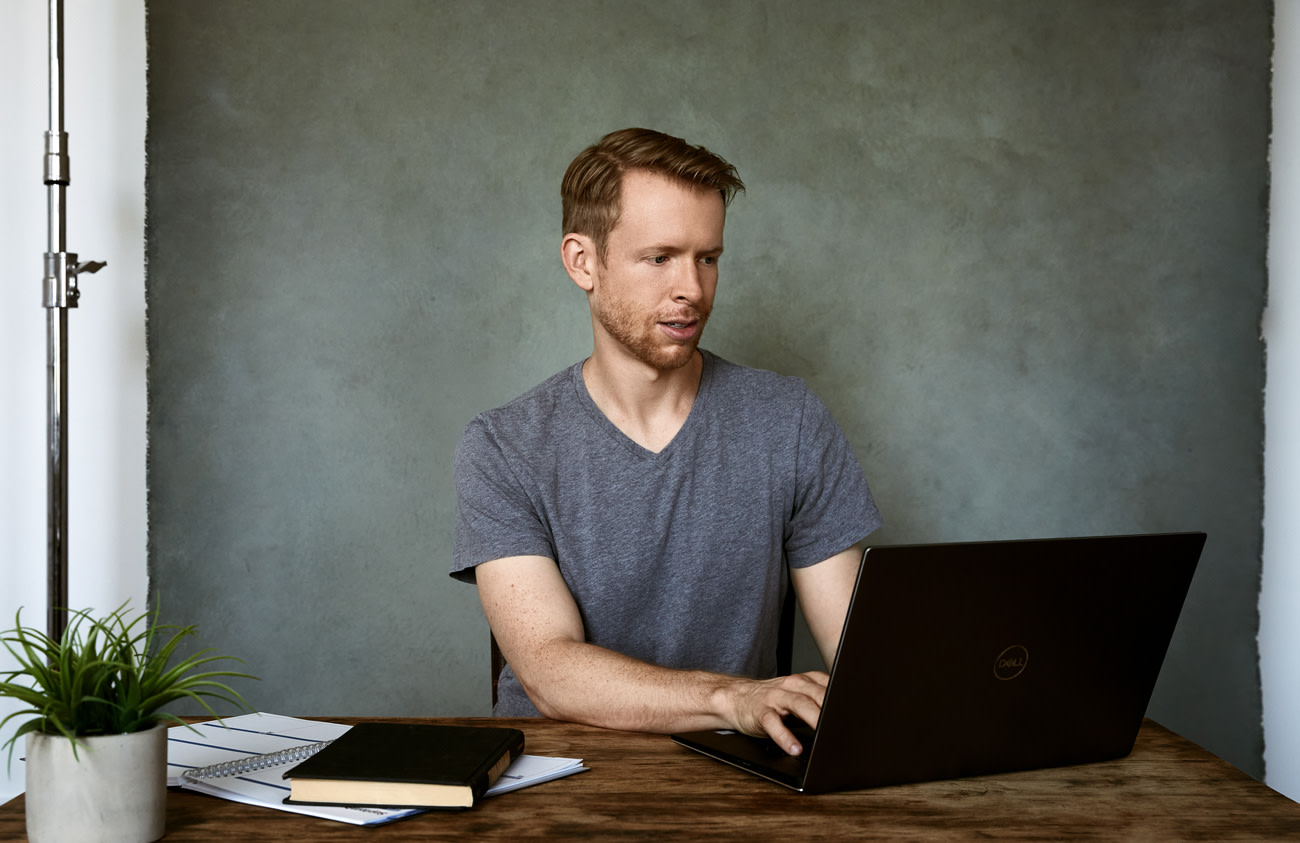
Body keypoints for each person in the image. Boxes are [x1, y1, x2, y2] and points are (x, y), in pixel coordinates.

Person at [451, 128, 881, 756]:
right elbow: (548, 668)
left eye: (708, 258)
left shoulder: (788, 420)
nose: (692, 289)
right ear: (582, 262)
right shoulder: (503, 445)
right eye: (660, 258)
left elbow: (861, 654)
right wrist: (730, 699)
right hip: (555, 779)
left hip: (739, 774)